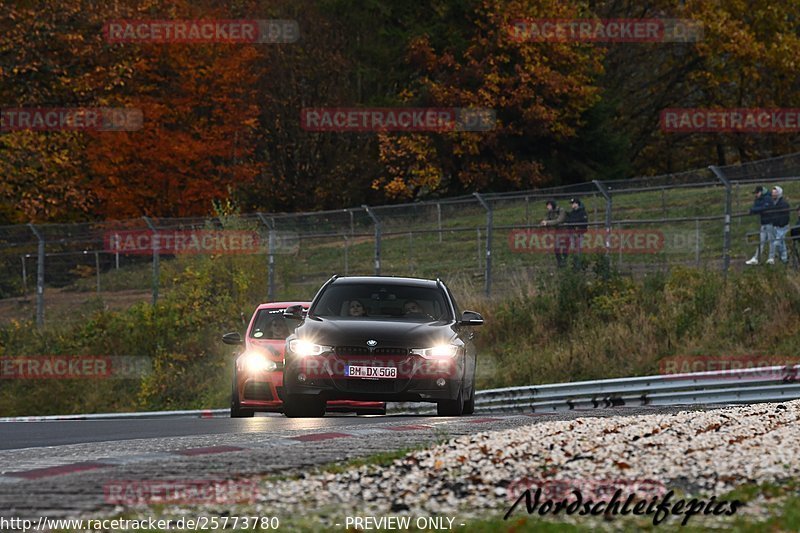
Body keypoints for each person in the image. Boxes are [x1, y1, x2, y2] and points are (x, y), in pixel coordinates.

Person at [745, 186, 774, 265]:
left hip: (770, 222)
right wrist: (753, 210)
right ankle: (756, 257)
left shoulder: (768, 198)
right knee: (761, 241)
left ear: (761, 192)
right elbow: (756, 207)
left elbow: (764, 207)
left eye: (757, 193)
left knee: (771, 240)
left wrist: (753, 210)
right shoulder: (759, 199)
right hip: (763, 222)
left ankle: (771, 257)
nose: (756, 195)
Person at [540, 199, 567, 267]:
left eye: (549, 205)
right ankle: (559, 263)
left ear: (552, 205)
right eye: (547, 205)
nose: (547, 207)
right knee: (556, 248)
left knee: (564, 247)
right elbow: (546, 219)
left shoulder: (561, 210)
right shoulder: (550, 212)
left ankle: (565, 262)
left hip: (564, 231)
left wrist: (547, 223)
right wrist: (543, 222)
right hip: (557, 232)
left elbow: (559, 220)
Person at [768, 186, 791, 265]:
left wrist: (781, 223)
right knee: (780, 243)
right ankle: (783, 259)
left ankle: (780, 258)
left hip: (782, 227)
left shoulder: (783, 204)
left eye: (775, 193)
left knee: (777, 243)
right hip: (776, 226)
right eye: (773, 193)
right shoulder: (774, 203)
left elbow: (785, 216)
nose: (773, 194)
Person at [564, 197, 589, 269]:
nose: (572, 205)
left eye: (573, 203)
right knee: (572, 249)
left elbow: (583, 222)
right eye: (572, 203)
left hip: (579, 233)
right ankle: (574, 264)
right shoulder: (572, 213)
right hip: (572, 233)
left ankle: (579, 264)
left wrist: (573, 223)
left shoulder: (582, 212)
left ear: (577, 204)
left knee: (578, 249)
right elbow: (569, 221)